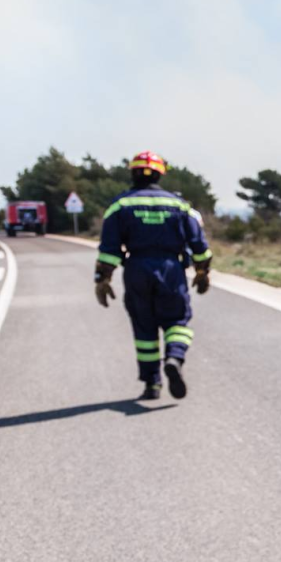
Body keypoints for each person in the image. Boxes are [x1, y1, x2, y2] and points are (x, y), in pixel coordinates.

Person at [94, 151, 212, 400]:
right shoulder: (179, 205)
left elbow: (109, 249)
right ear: (160, 173)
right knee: (178, 320)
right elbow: (199, 243)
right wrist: (203, 271)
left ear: (133, 173)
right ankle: (174, 357)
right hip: (171, 270)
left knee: (144, 327)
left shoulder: (120, 205)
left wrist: (102, 279)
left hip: (136, 270)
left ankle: (152, 384)